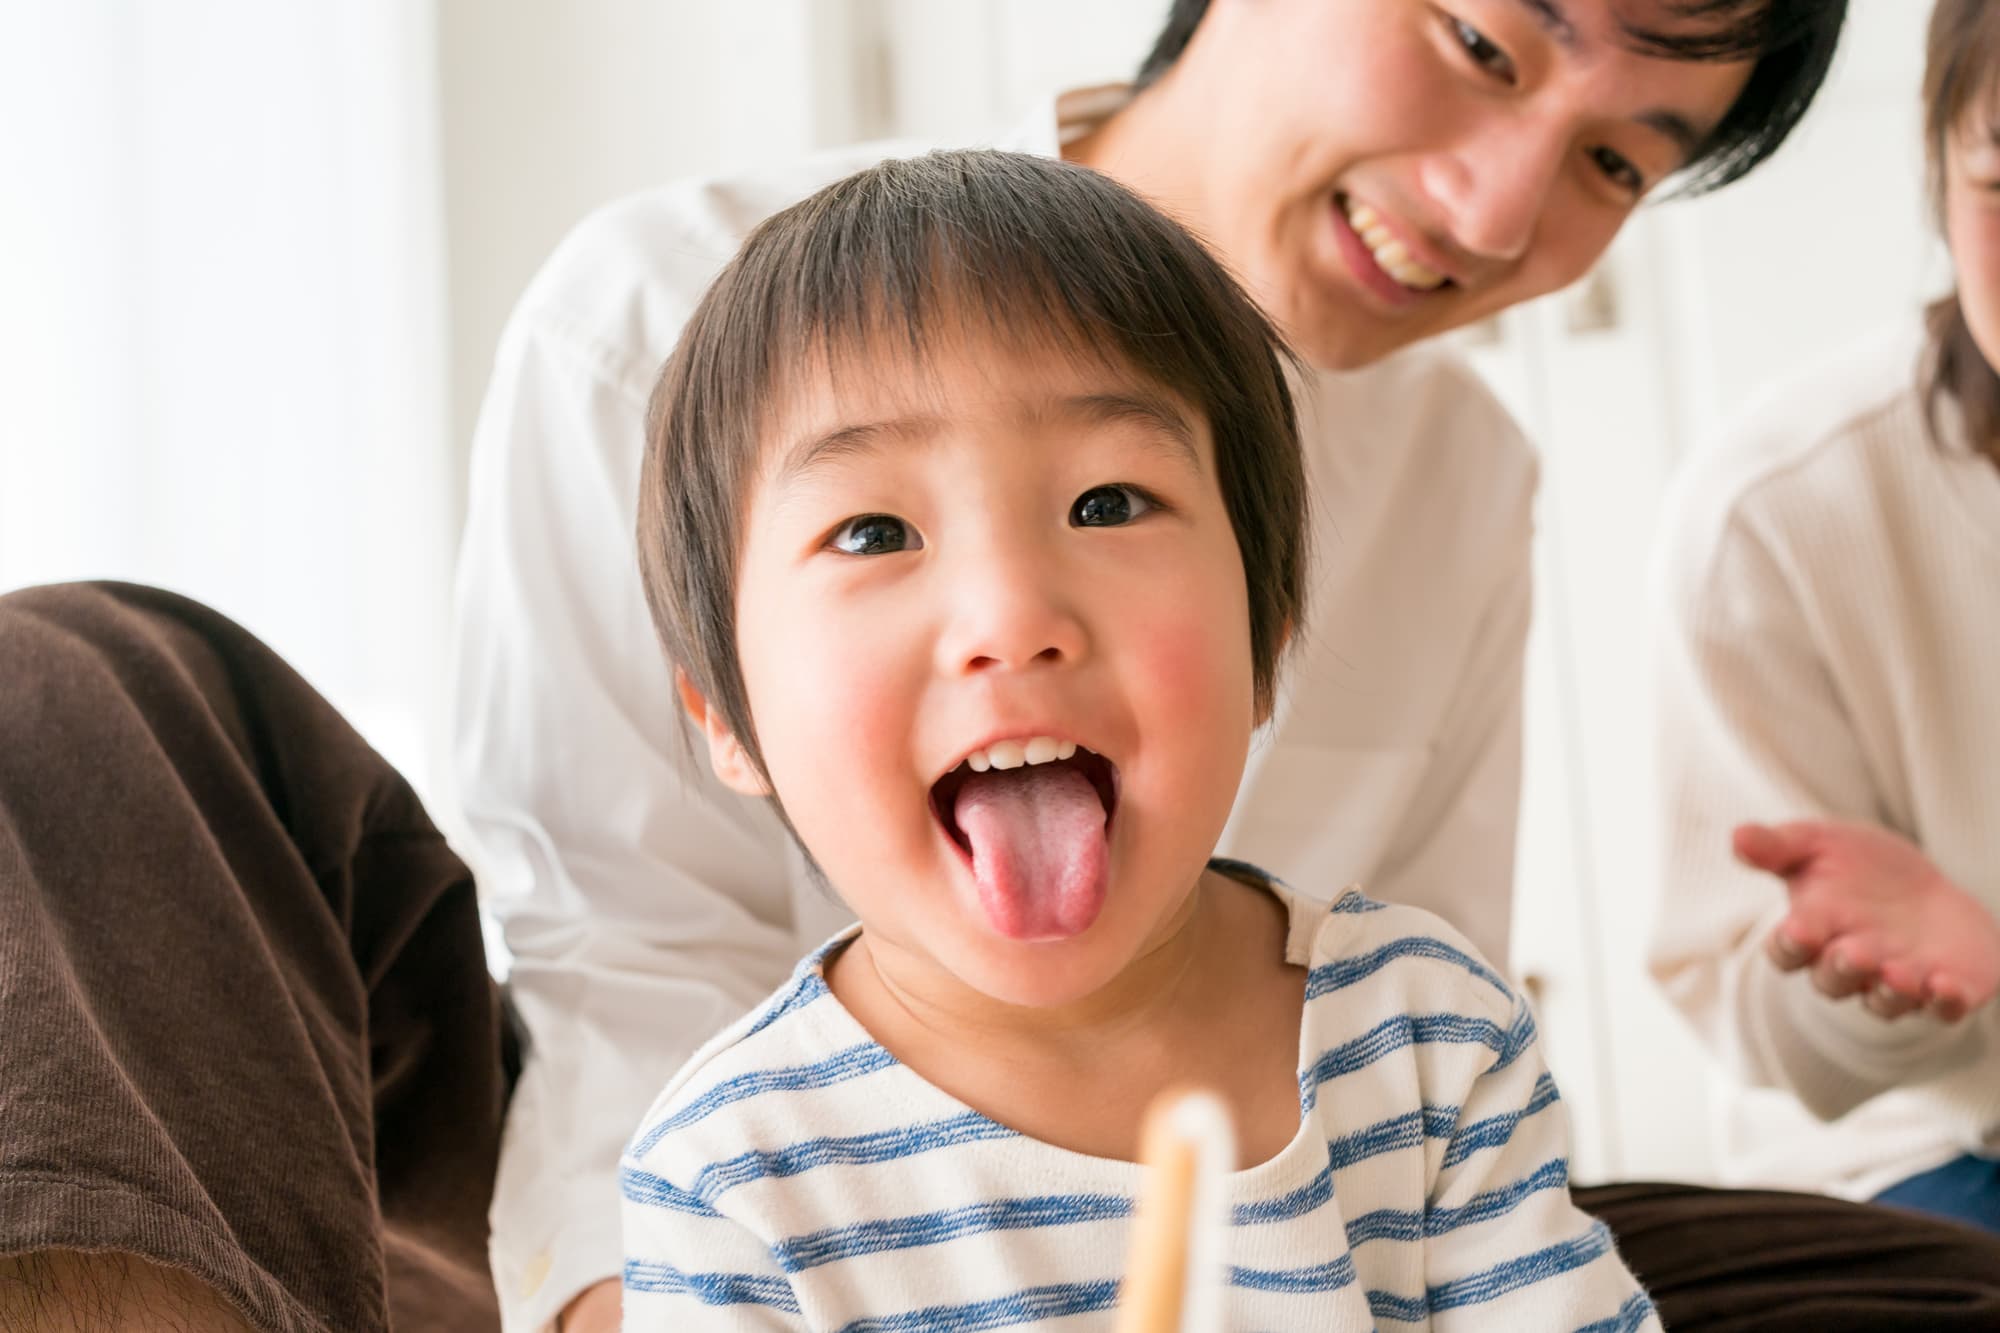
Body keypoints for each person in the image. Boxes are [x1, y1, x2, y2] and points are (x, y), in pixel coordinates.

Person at [4, 1, 1996, 1331]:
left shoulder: (1468, 472)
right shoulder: (671, 301)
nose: (1497, 207)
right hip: (666, 1220)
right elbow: (618, 943)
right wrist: (647, 1289)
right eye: (1481, 42)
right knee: (74, 687)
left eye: (1618, 165)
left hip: (1267, 1232)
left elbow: (1414, 1017)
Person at [616, 146, 1656, 1330]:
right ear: (725, 715)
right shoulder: (729, 1175)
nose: (1009, 617)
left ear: (1265, 638)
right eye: (872, 532)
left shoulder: (1421, 1037)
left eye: (1104, 504)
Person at [1647, 0, 2000, 1238]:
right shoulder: (1779, 513)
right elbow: (1757, 1026)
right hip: (1935, 1141)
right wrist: (1884, 983)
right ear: (1935, 168)